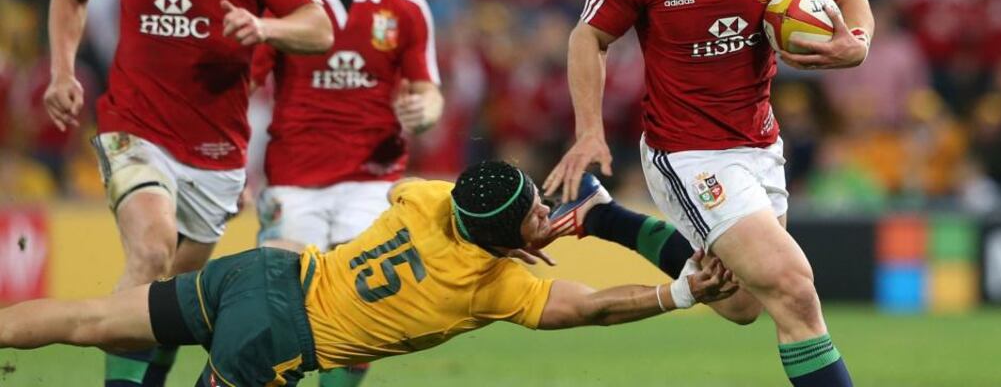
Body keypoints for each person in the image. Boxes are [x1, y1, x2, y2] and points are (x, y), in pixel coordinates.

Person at [543, 0, 872, 387]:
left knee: (742, 304)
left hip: (760, 141)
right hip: (688, 152)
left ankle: (602, 215)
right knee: (794, 287)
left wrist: (856, 44)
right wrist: (590, 132)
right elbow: (587, 38)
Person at [0, 161, 737, 386]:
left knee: (90, 319)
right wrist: (676, 293)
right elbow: (592, 309)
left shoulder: (422, 199)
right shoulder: (493, 286)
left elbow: (441, 194)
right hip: (279, 334)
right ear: (511, 235)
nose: (547, 206)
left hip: (264, 272)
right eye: (538, 206)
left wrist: (510, 227)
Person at [42, 0, 333, 387]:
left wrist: (266, 27)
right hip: (134, 127)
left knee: (177, 296)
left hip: (215, 151)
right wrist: (61, 71)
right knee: (151, 250)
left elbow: (317, 28)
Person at [250, 0, 443, 387]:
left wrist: (423, 112)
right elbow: (245, 84)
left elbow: (430, 92)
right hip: (293, 179)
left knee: (357, 309)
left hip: (372, 180)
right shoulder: (284, 3)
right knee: (282, 313)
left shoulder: (405, 7)